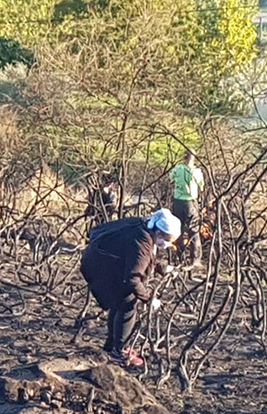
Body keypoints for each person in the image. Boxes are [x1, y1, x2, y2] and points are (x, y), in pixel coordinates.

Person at [79, 209, 180, 367]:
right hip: (101, 267)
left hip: (101, 261)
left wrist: (163, 268)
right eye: (167, 240)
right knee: (127, 303)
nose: (168, 245)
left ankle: (111, 346)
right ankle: (120, 352)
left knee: (119, 302)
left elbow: (138, 257)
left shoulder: (143, 227)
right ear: (159, 233)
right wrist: (149, 299)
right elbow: (133, 278)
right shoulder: (142, 242)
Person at [170, 151, 205, 266]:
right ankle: (195, 259)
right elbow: (202, 187)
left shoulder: (177, 169)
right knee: (194, 231)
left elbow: (171, 179)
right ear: (194, 158)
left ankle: (179, 258)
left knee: (178, 230)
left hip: (178, 202)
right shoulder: (198, 172)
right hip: (191, 203)